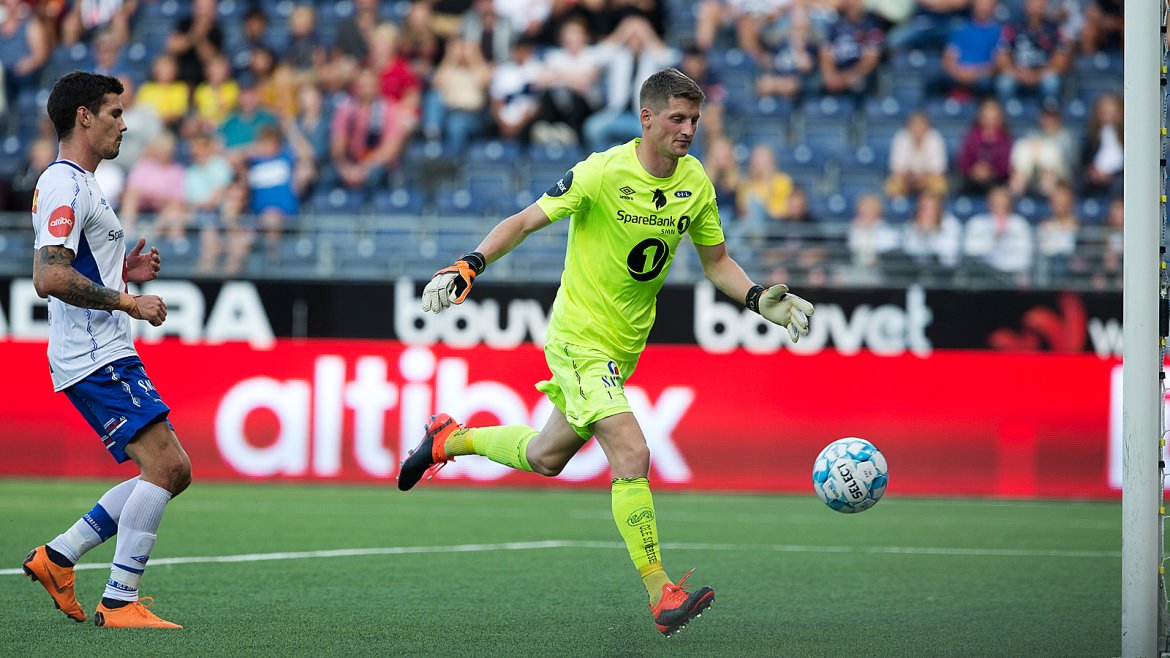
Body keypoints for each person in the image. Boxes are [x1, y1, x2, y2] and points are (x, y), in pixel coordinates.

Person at [396, 68, 814, 637]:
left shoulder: (696, 182)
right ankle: (661, 592)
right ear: (647, 118)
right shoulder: (601, 172)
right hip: (579, 340)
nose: (688, 130)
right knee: (632, 451)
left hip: (623, 350)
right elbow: (525, 221)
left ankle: (450, 438)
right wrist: (470, 263)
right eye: (677, 118)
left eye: (694, 120)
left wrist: (759, 298)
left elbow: (716, 262)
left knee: (546, 456)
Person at [23, 71, 189, 629]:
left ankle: (60, 556)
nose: (124, 123)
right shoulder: (65, 184)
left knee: (173, 470)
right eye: (115, 113)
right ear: (84, 117)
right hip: (93, 352)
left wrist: (123, 270)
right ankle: (118, 601)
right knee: (166, 465)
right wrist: (128, 300)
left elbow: (76, 265)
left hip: (103, 349)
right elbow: (49, 276)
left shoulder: (84, 184)